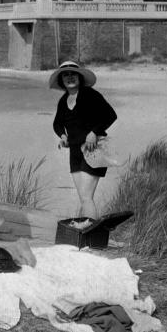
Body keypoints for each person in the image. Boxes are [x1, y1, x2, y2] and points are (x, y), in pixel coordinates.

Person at [50, 61, 117, 221]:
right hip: (74, 153)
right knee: (84, 198)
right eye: (65, 75)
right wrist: (63, 136)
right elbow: (57, 123)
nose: (70, 77)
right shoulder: (63, 100)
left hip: (94, 150)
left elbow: (110, 115)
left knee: (86, 197)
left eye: (73, 74)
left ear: (79, 76)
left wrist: (94, 132)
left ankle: (91, 234)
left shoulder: (90, 94)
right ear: (61, 80)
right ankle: (86, 231)